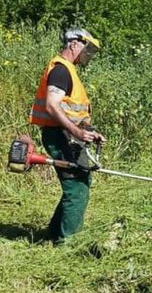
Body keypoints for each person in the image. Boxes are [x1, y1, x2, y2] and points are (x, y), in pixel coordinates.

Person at [29, 28, 105, 244]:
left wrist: (88, 132)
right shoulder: (61, 70)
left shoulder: (68, 70)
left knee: (77, 184)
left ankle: (53, 235)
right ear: (73, 44)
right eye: (86, 48)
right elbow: (53, 106)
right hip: (60, 136)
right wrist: (78, 132)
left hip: (67, 136)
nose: (88, 54)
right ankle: (68, 244)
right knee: (77, 188)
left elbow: (72, 110)